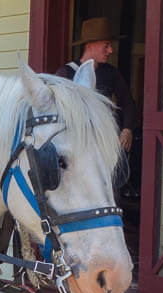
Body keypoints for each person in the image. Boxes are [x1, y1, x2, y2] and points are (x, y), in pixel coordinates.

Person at [55, 16, 140, 189]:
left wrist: (127, 129)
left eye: (110, 46)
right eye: (106, 45)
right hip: (76, 145)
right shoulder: (65, 73)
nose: (110, 50)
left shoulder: (111, 74)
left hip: (104, 144)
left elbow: (128, 103)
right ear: (89, 45)